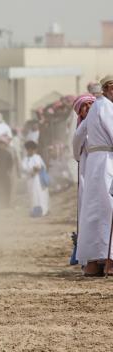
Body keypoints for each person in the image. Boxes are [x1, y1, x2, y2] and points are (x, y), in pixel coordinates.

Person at [76, 76, 113, 276]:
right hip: (108, 161)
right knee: (109, 209)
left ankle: (92, 263)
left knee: (92, 211)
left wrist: (79, 158)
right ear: (109, 89)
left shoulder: (94, 110)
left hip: (93, 165)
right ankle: (109, 262)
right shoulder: (107, 107)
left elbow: (77, 136)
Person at [71, 93, 96, 266]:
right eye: (84, 106)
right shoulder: (81, 128)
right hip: (87, 171)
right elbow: (76, 151)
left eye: (90, 105)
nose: (87, 109)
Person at [22, 140, 49, 217]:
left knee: (40, 195)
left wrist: (36, 170)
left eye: (31, 149)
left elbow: (41, 167)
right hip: (30, 180)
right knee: (32, 196)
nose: (30, 151)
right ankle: (34, 211)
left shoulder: (37, 157)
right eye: (28, 149)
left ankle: (43, 211)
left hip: (38, 180)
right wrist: (31, 170)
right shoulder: (25, 159)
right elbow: (24, 168)